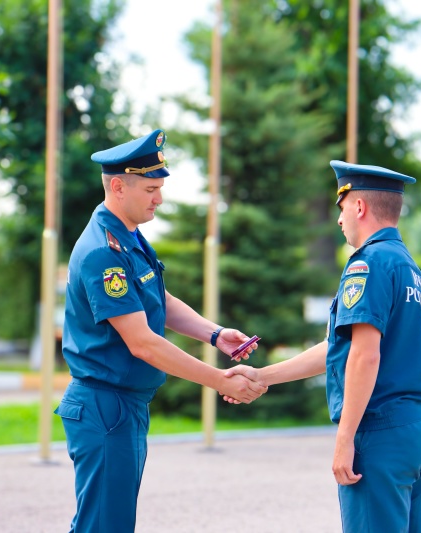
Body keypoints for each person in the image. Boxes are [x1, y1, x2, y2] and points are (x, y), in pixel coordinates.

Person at [57, 128, 265, 533]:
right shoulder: (104, 250)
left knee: (109, 523)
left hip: (121, 405)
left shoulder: (128, 238)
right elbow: (144, 344)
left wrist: (215, 334)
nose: (160, 197)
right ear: (118, 186)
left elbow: (159, 301)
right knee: (103, 526)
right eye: (151, 188)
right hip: (105, 406)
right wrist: (221, 380)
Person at [227, 161, 421, 532]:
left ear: (359, 207)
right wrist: (262, 376)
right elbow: (338, 346)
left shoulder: (369, 263)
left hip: (382, 434)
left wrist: (345, 439)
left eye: (341, 206)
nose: (339, 218)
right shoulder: (406, 265)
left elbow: (364, 355)